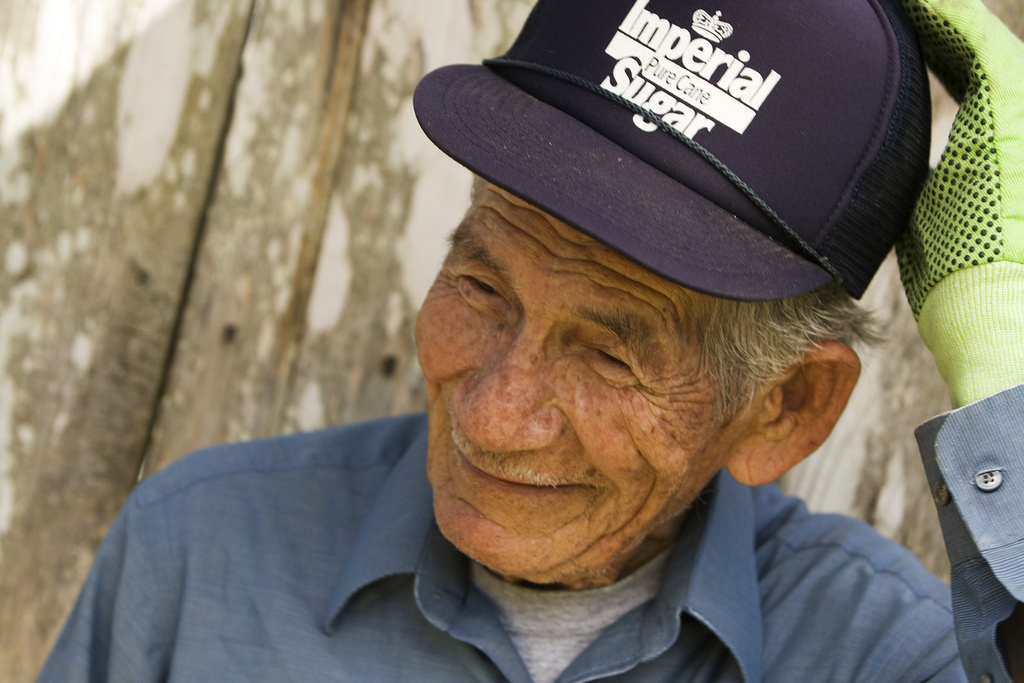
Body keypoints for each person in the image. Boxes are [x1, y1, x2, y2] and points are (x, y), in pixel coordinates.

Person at [37, 0, 1024, 680]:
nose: (493, 413)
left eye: (609, 353)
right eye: (480, 285)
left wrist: (1006, 363)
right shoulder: (196, 554)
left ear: (782, 407)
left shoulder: (881, 653)